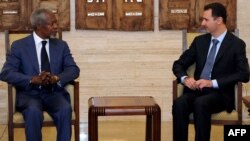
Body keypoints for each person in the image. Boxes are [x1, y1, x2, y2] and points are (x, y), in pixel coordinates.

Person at [172, 2, 249, 141]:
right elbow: (178, 64)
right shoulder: (199, 41)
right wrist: (185, 79)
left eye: (206, 19)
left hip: (220, 94)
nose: (202, 23)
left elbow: (244, 74)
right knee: (179, 103)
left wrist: (211, 83)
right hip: (196, 91)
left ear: (219, 20)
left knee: (201, 103)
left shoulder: (237, 44)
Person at [0, 8, 80, 141]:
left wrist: (56, 78)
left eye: (56, 23)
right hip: (29, 94)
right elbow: (6, 73)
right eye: (52, 24)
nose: (56, 27)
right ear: (38, 26)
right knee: (33, 112)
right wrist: (32, 79)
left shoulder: (61, 46)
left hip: (54, 93)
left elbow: (73, 69)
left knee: (65, 109)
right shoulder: (19, 46)